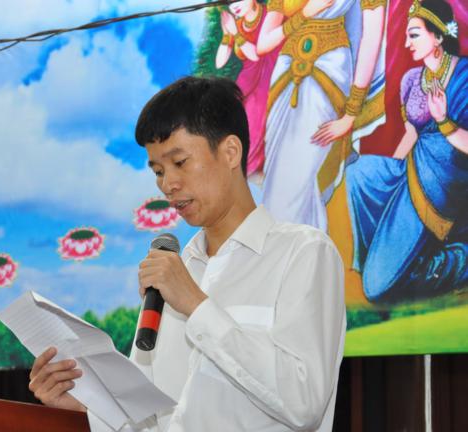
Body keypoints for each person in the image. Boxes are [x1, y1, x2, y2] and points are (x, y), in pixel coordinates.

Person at [28, 77, 346, 431]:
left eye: (179, 162)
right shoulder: (173, 273)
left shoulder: (303, 253)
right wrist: (86, 407)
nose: (168, 185)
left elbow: (305, 401)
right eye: (158, 171)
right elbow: (149, 418)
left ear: (230, 152)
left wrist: (196, 305)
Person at [343, 0, 468, 302]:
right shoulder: (412, 79)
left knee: (376, 289)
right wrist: (394, 179)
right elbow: (412, 133)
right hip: (414, 168)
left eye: (414, 35)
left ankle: (459, 261)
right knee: (359, 173)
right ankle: (390, 257)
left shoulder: (464, 76)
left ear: (438, 36)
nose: (406, 42)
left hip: (446, 182)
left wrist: (444, 122)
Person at [256, 0, 386, 231]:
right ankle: (294, 246)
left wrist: (351, 114)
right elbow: (263, 45)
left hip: (330, 72)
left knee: (300, 178)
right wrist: (305, 13)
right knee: (278, 178)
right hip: (284, 76)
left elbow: (372, 37)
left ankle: (294, 245)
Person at [215, 0, 280, 182]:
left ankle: (249, 173)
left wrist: (236, 33)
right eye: (229, 2)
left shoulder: (270, 15)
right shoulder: (236, 24)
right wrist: (227, 35)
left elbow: (257, 54)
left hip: (268, 78)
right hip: (246, 84)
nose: (234, 5)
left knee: (252, 128)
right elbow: (219, 62)